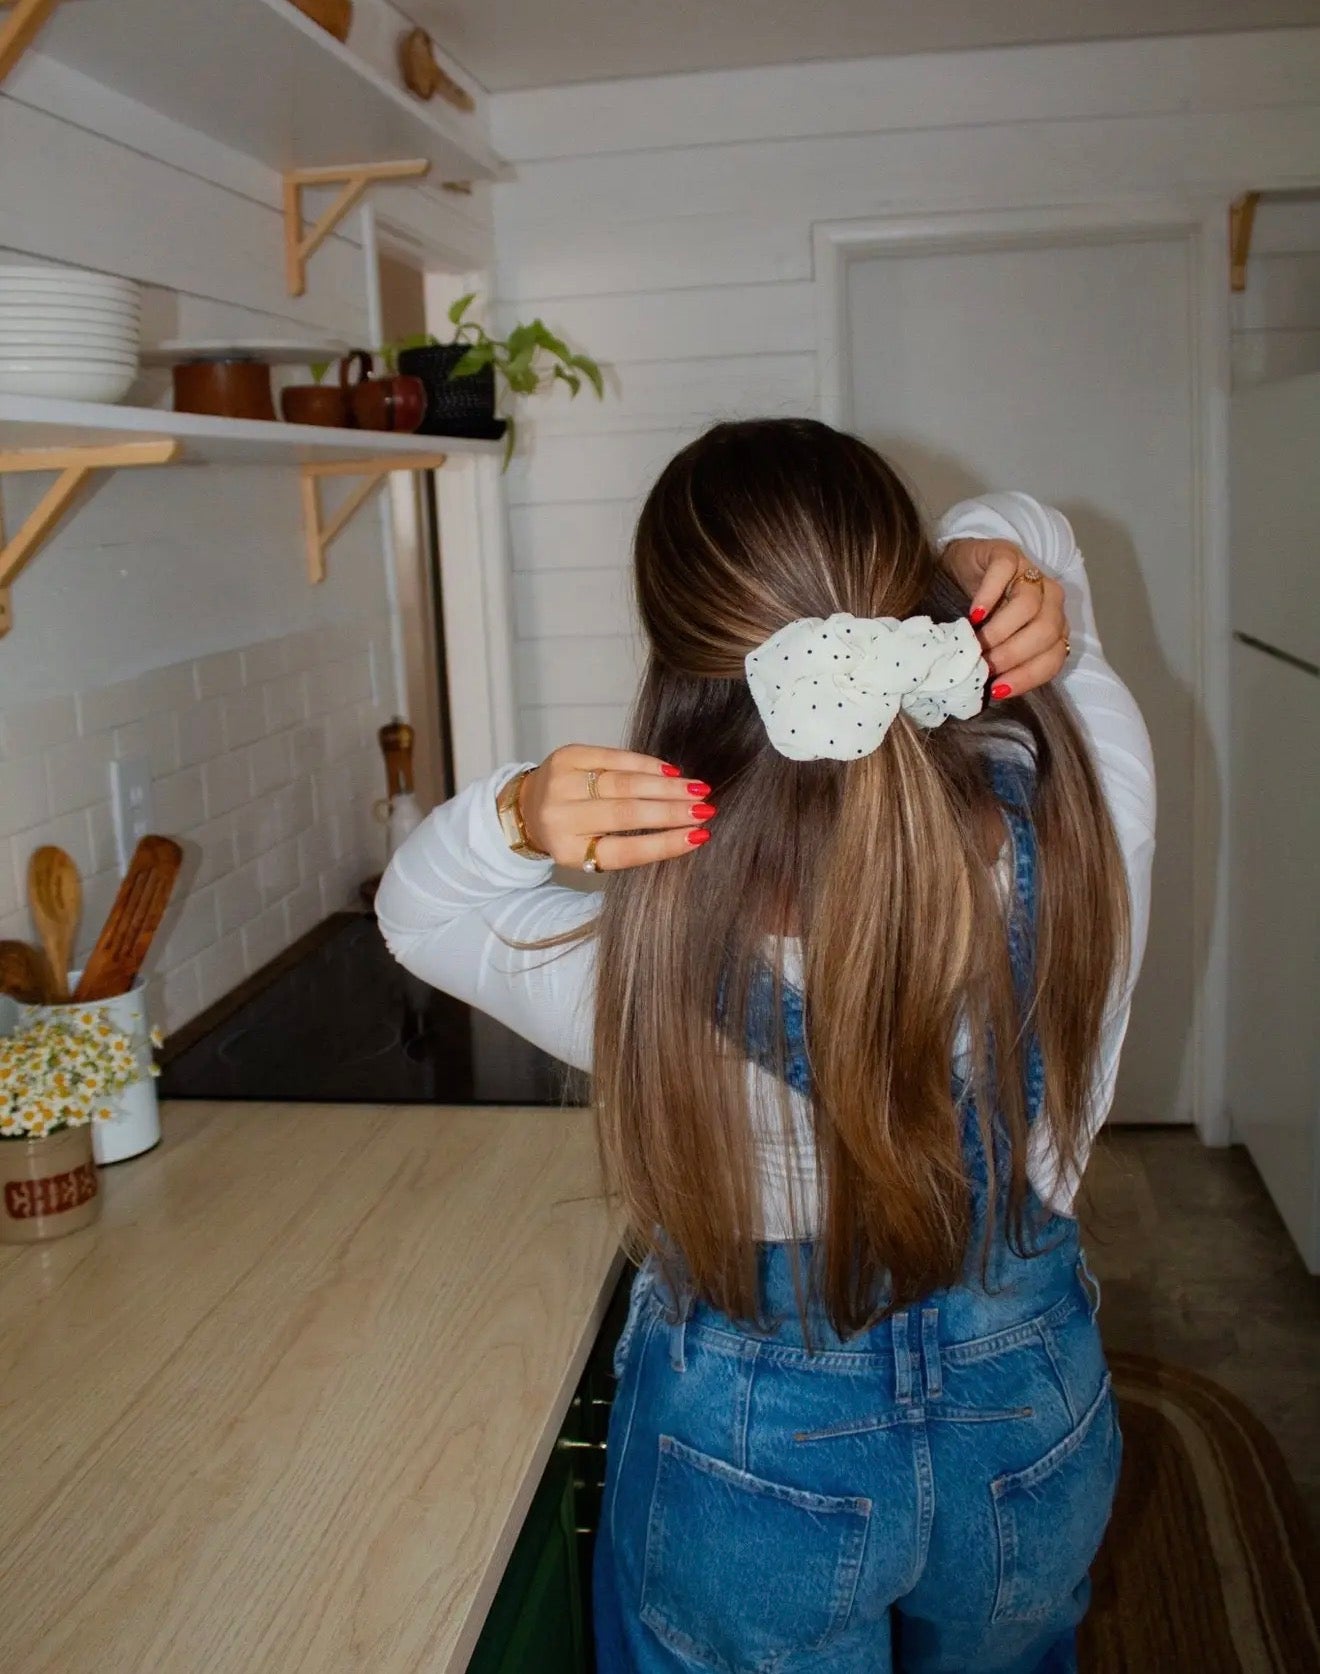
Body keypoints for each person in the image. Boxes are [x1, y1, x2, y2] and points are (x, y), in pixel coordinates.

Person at [377, 419, 1155, 1674]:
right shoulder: (1089, 790)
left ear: (677, 662)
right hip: (1029, 1413)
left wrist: (519, 813)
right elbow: (1043, 539)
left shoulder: (647, 948)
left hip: (750, 1435)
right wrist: (991, 563)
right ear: (923, 593)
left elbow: (418, 912)